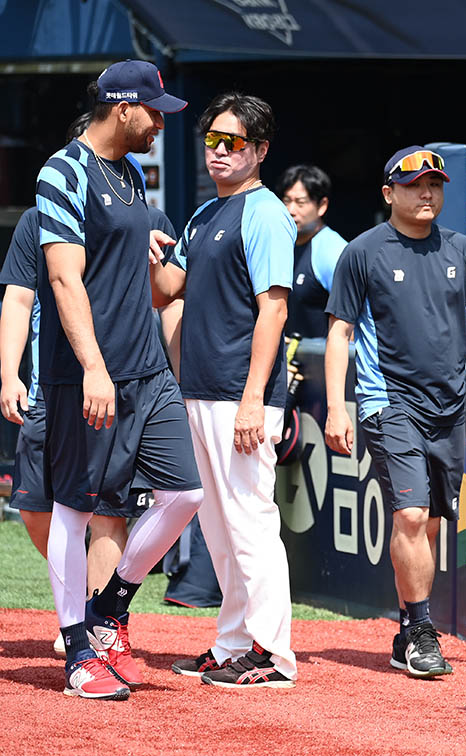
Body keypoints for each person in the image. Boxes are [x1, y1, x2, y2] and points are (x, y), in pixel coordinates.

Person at [324, 145, 466, 679]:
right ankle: (424, 629)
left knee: (428, 525)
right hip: (389, 404)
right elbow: (340, 332)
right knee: (408, 515)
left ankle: (407, 626)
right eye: (413, 185)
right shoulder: (363, 251)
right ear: (389, 194)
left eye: (435, 184)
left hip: (449, 408)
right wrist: (338, 407)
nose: (426, 193)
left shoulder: (461, 249)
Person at [35, 59, 204, 700]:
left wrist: (167, 257)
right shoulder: (64, 170)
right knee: (76, 509)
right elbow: (63, 278)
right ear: (123, 108)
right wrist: (94, 371)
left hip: (148, 369)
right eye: (154, 111)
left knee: (185, 494)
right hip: (87, 375)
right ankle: (80, 650)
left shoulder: (132, 175)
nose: (161, 122)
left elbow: (161, 288)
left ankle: (109, 609)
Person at [153, 92, 298, 688]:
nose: (218, 151)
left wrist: (252, 399)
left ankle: (274, 655)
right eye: (211, 140)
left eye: (232, 142)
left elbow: (274, 310)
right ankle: (235, 641)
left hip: (240, 395)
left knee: (251, 522)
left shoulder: (263, 212)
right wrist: (144, 244)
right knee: (218, 525)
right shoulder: (203, 215)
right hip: (200, 390)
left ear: (259, 150)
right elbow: (167, 291)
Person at [277, 164, 347, 339]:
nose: (291, 210)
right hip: (287, 363)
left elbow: (353, 321)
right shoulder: (278, 245)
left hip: (320, 362)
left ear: (322, 205)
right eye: (286, 201)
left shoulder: (334, 252)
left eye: (301, 202)